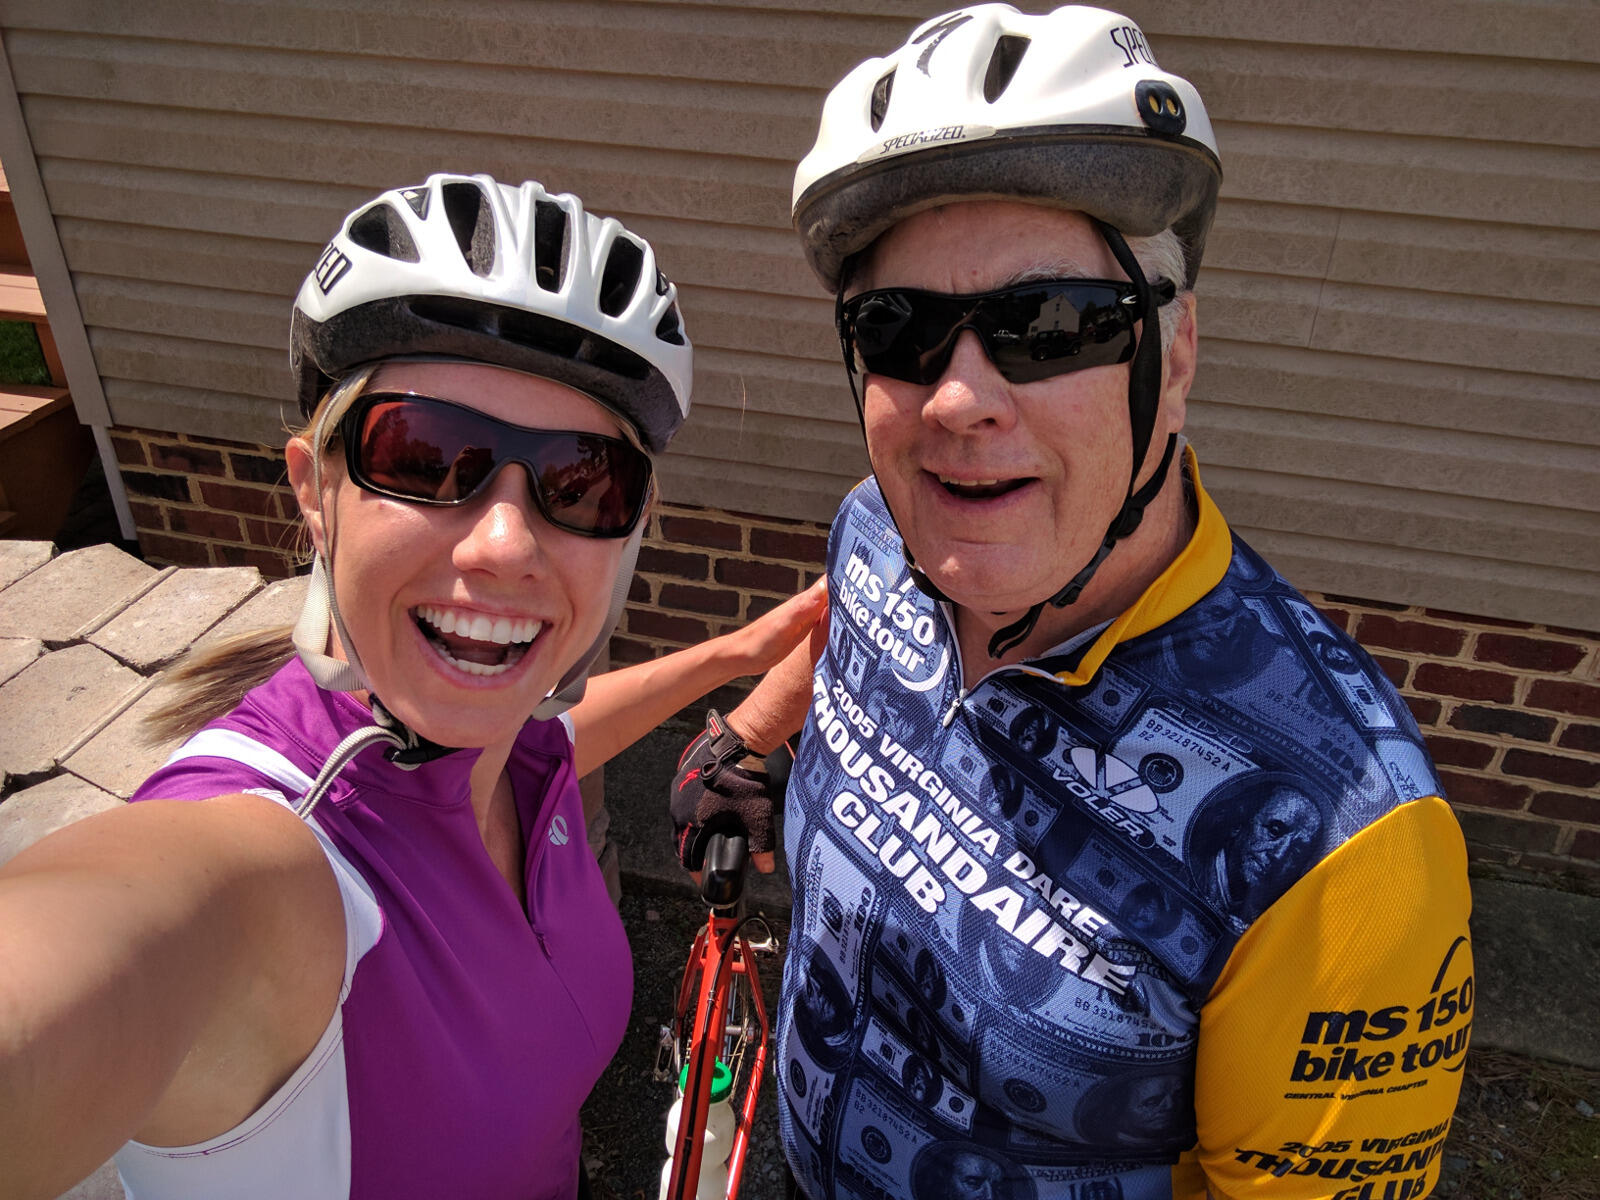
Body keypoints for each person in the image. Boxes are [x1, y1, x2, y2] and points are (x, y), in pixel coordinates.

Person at [669, 7, 1471, 1198]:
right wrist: (750, 730)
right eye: (898, 330)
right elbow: (850, 611)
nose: (957, 401)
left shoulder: (1344, 841)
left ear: (1177, 352)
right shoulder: (885, 531)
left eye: (1045, 325)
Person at [0, 173, 823, 1200]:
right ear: (314, 490)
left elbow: (560, 743)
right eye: (428, 457)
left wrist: (735, 656)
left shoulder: (496, 749)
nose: (509, 542)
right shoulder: (268, 873)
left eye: (581, 482)